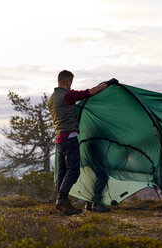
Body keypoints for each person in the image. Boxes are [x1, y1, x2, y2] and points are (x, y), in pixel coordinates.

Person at [47, 70, 118, 215]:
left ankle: (63, 205)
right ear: (67, 82)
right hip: (69, 138)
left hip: (59, 139)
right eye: (70, 83)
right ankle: (62, 199)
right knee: (73, 171)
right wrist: (108, 83)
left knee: (62, 172)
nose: (71, 86)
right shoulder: (67, 95)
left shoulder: (51, 99)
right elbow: (90, 92)